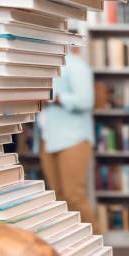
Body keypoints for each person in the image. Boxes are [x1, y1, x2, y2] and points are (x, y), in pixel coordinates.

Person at [37, 47, 100, 234]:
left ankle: (97, 246)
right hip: (48, 137)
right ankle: (71, 247)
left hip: (73, 138)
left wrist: (54, 98)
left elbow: (86, 100)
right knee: (58, 199)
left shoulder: (76, 65)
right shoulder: (43, 67)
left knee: (75, 196)